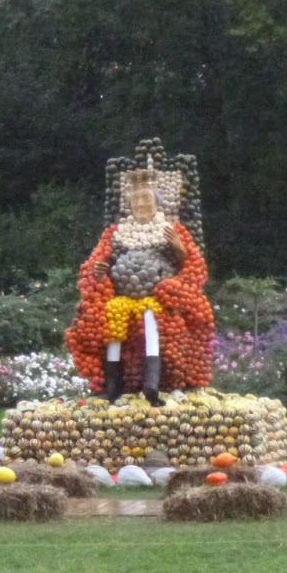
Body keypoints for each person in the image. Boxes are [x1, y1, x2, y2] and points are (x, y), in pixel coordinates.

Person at [66, 165, 212, 403]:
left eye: (146, 198)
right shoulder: (115, 233)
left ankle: (152, 383)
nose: (141, 204)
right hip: (122, 298)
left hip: (158, 298)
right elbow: (97, 262)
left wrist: (178, 248)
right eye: (135, 200)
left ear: (157, 202)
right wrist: (100, 272)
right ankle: (112, 383)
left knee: (152, 317)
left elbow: (194, 264)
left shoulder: (173, 230)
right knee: (111, 319)